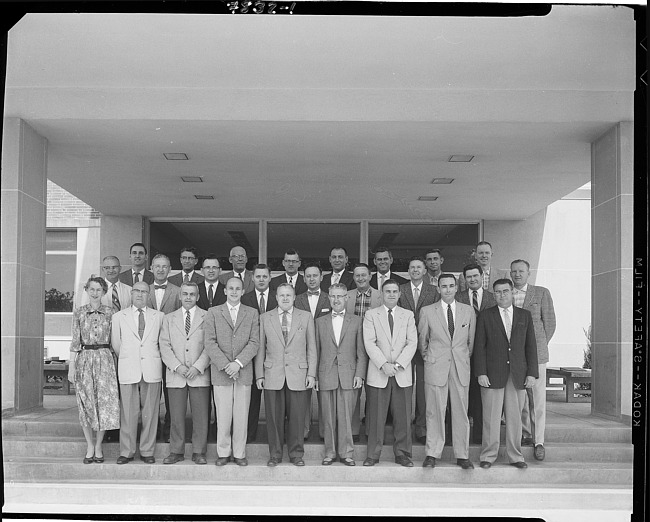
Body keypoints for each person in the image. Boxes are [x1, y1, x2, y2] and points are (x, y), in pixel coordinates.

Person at [473, 279, 538, 469]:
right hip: (492, 374)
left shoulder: (524, 316)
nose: (502, 295)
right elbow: (479, 347)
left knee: (515, 418)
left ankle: (516, 456)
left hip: (518, 374)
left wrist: (532, 373)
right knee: (491, 418)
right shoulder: (486, 316)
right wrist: (481, 373)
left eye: (506, 291)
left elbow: (531, 346)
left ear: (512, 292)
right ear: (494, 294)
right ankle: (488, 456)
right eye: (498, 292)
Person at [256, 283, 317, 467]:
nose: (284, 298)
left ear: (294, 297)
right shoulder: (265, 317)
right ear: (276, 297)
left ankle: (296, 454)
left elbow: (311, 347)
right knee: (273, 418)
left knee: (297, 418)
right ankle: (275, 454)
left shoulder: (305, 317)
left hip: (298, 374)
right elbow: (260, 349)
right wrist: (259, 375)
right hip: (272, 374)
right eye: (281, 295)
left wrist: (312, 374)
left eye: (288, 295)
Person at [418, 274, 475, 469]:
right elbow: (422, 341)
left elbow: (471, 342)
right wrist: (430, 358)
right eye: (444, 286)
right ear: (438, 288)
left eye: (451, 286)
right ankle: (432, 453)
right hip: (436, 367)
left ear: (457, 288)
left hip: (459, 367)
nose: (448, 289)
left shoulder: (468, 311)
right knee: (434, 412)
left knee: (461, 412)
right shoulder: (427, 311)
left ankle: (462, 455)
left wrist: (461, 357)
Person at [204, 277, 260, 466]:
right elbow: (209, 342)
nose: (234, 292)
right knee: (223, 414)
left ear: (243, 291)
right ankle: (223, 452)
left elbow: (254, 342)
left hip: (243, 371)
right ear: (225, 291)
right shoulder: (213, 312)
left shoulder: (252, 313)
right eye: (231, 288)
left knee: (241, 414)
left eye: (238, 289)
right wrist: (227, 365)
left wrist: (238, 363)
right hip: (221, 372)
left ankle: (239, 453)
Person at [363, 280, 417, 467]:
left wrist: (399, 364)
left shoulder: (408, 315)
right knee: (376, 417)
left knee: (403, 416)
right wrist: (384, 364)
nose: (392, 294)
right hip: (379, 372)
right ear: (381, 294)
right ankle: (373, 454)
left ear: (400, 294)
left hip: (402, 373)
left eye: (395, 291)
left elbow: (412, 342)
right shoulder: (371, 315)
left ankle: (402, 454)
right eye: (388, 291)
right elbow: (369, 342)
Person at [67, 276, 120, 463]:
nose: (95, 293)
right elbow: (75, 341)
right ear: (87, 290)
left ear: (104, 291)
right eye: (92, 289)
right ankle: (89, 444)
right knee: (86, 403)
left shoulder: (111, 312)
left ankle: (99, 445)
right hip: (85, 359)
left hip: (105, 359)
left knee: (104, 404)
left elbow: (116, 341)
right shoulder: (79, 312)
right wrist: (71, 366)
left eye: (99, 289)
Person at [315, 283, 368, 466]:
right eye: (333, 296)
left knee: (346, 416)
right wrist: (314, 376)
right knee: (327, 417)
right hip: (326, 374)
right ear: (328, 298)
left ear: (347, 298)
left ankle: (346, 453)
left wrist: (360, 374)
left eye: (340, 296)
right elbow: (316, 350)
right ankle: (329, 452)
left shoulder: (357, 321)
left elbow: (361, 352)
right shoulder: (319, 321)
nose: (336, 300)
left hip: (348, 374)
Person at [112, 281, 164, 464]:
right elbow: (117, 345)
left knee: (150, 412)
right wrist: (130, 357)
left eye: (144, 291)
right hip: (128, 367)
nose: (140, 295)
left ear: (149, 295)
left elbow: (161, 342)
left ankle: (147, 451)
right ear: (131, 294)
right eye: (137, 291)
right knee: (128, 413)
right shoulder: (119, 316)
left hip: (151, 368)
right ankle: (126, 451)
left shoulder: (159, 316)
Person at [159, 282, 211, 465]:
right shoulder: (168, 318)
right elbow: (164, 345)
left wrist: (198, 366)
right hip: (176, 375)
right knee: (176, 415)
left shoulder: (207, 316)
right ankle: (176, 451)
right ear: (179, 296)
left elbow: (210, 345)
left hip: (199, 374)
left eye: (192, 294)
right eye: (185, 294)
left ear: (197, 297)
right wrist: (177, 366)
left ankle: (199, 451)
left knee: (201, 416)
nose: (188, 297)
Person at [511, 259, 556, 461]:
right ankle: (525, 434)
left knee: (537, 400)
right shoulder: (507, 293)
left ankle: (539, 441)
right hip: (514, 356)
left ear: (529, 273)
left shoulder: (541, 293)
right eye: (514, 271)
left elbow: (550, 324)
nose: (517, 274)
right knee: (519, 398)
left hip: (536, 354)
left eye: (521, 271)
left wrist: (537, 347)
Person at [398, 256, 440, 444]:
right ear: (408, 271)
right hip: (404, 347)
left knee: (423, 390)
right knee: (404, 389)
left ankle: (422, 428)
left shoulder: (433, 291)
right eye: (412, 267)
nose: (415, 270)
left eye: (418, 267)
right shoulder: (401, 290)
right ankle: (404, 427)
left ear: (424, 271)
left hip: (426, 346)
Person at [457, 263, 497, 444]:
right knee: (463, 395)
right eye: (469, 277)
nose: (472, 279)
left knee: (483, 397)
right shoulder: (457, 298)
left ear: (482, 276)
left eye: (475, 276)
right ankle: (461, 437)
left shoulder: (493, 297)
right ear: (465, 279)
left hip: (488, 354)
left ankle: (480, 436)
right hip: (462, 354)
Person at [345, 262, 382, 439]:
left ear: (370, 276)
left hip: (375, 350)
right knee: (352, 392)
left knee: (374, 393)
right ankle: (352, 431)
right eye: (357, 275)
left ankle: (370, 431)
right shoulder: (346, 296)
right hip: (351, 350)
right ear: (353, 277)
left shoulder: (381, 296)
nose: (360, 278)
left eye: (364, 275)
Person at [241, 263, 277, 443]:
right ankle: (250, 436)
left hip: (274, 357)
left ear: (270, 278)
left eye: (265, 276)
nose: (261, 279)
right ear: (252, 278)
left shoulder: (279, 298)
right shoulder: (244, 299)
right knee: (252, 400)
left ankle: (277, 438)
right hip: (251, 357)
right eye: (258, 276)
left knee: (276, 403)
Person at [147, 253, 182, 441]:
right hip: (149, 351)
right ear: (151, 268)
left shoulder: (178, 292)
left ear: (170, 269)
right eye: (157, 266)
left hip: (171, 351)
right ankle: (151, 432)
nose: (160, 269)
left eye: (165, 266)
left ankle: (169, 432)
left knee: (171, 396)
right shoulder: (143, 291)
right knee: (151, 395)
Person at [294, 263, 331, 439]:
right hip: (303, 352)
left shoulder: (330, 298)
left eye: (315, 275)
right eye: (308, 276)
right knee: (303, 395)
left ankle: (325, 432)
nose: (311, 279)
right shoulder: (296, 299)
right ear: (303, 278)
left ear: (322, 277)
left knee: (324, 394)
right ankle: (303, 431)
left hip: (326, 353)